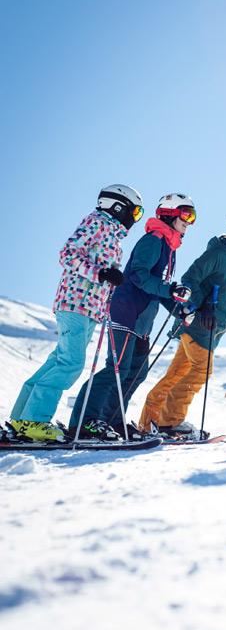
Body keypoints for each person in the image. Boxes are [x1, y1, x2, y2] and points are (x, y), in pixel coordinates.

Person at [9, 184, 144, 442]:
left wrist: (108, 293)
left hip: (89, 308)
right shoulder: (98, 222)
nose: (134, 218)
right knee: (70, 364)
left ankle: (21, 419)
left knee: (57, 361)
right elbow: (68, 254)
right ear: (118, 206)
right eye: (134, 211)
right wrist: (101, 273)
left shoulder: (114, 238)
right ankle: (35, 420)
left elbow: (105, 276)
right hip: (76, 303)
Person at [68, 194, 196, 440]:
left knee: (136, 372)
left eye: (192, 216)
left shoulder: (169, 247)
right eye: (186, 214)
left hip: (143, 320)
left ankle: (113, 421)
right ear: (169, 213)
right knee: (116, 370)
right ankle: (84, 422)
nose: (189, 221)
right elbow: (138, 276)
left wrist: (179, 308)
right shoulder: (153, 240)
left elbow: (160, 285)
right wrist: (169, 290)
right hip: (128, 312)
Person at [138, 213, 226, 438]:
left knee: (177, 374)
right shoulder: (218, 253)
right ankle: (170, 422)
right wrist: (200, 307)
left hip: (213, 329)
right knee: (202, 370)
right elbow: (190, 279)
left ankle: (149, 421)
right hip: (197, 322)